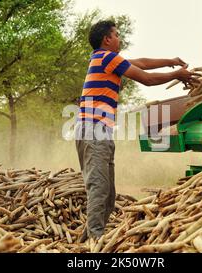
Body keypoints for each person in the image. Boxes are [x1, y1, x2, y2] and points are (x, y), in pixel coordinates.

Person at [75, 20, 193, 244]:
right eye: (116, 35)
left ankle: (85, 241)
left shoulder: (105, 59)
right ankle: (95, 243)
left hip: (99, 131)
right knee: (99, 188)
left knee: (107, 196)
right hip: (94, 131)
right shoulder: (106, 57)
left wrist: (170, 62)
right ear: (106, 39)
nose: (119, 39)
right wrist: (176, 75)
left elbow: (141, 63)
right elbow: (146, 79)